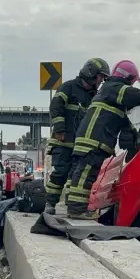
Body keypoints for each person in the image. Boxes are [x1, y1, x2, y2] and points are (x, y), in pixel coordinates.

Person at [66, 59, 140, 219]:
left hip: (89, 141)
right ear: (128, 77)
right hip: (93, 142)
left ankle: (71, 204)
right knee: (85, 175)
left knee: (79, 173)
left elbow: (121, 119)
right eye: (132, 81)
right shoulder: (115, 88)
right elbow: (134, 95)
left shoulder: (108, 93)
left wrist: (133, 135)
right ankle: (76, 209)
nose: (132, 85)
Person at [44, 58, 111, 215]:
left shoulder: (95, 95)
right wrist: (60, 128)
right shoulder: (68, 87)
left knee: (75, 177)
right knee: (60, 173)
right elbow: (55, 106)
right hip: (62, 143)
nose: (102, 80)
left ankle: (73, 207)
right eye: (101, 76)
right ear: (91, 73)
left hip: (79, 145)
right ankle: (50, 203)